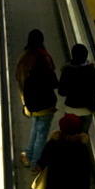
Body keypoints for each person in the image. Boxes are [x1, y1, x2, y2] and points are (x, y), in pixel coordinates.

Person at [16, 29, 58, 170]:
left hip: (31, 103)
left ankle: (28, 156)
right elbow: (54, 82)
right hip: (46, 104)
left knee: (36, 128)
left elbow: (19, 78)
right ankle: (35, 165)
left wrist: (25, 100)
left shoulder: (24, 58)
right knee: (42, 133)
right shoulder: (44, 58)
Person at [57, 44, 95, 132]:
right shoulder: (91, 70)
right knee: (82, 136)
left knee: (69, 134)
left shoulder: (67, 70)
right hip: (87, 109)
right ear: (85, 55)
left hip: (70, 109)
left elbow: (61, 92)